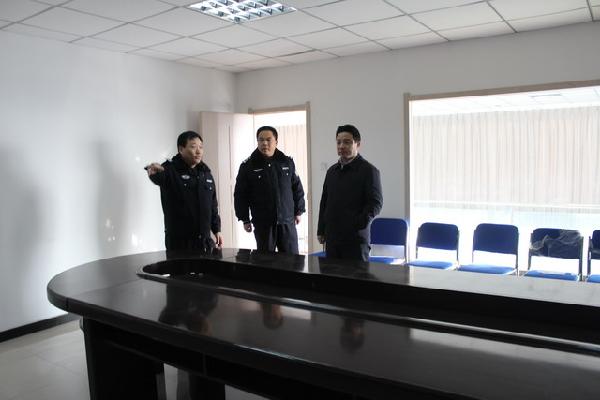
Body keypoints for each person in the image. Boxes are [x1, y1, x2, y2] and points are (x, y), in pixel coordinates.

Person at [146, 131, 223, 252]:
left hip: (204, 241)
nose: (198, 151)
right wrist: (154, 172)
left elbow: (213, 205)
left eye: (201, 147)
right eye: (193, 147)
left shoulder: (205, 173)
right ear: (181, 149)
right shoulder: (170, 169)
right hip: (180, 242)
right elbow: (159, 176)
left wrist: (217, 230)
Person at [234, 126, 305, 254]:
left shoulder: (287, 162)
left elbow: (297, 188)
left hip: (287, 222)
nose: (264, 143)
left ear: (276, 142)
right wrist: (244, 218)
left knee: (292, 260)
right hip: (263, 224)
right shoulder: (248, 166)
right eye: (261, 140)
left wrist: (298, 211)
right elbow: (240, 195)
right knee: (265, 260)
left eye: (268, 140)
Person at [317, 124, 383, 261]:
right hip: (332, 239)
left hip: (355, 240)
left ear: (357, 144)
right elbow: (324, 201)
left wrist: (357, 224)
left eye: (347, 142)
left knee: (356, 275)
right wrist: (321, 229)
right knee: (332, 274)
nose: (341, 146)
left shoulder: (368, 171)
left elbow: (375, 203)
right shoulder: (331, 171)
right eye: (338, 142)